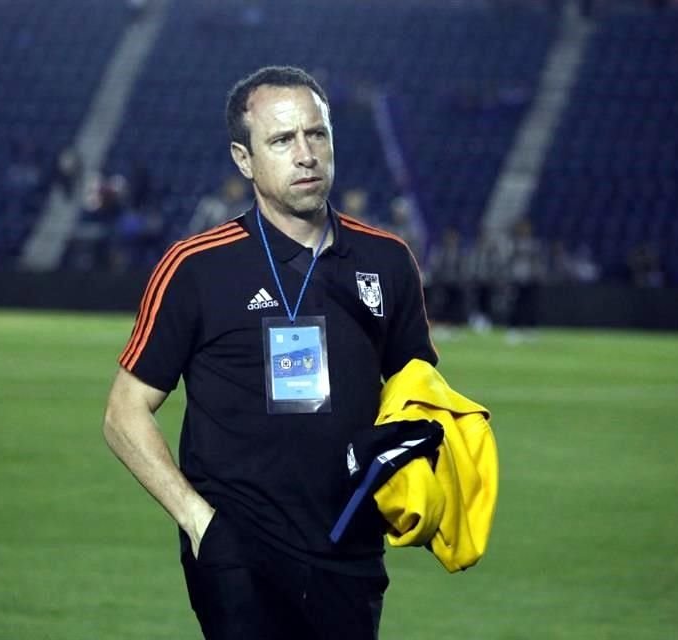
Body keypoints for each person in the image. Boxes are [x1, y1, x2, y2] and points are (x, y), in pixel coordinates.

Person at [102, 66, 437, 640]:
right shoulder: (196, 267)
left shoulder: (387, 261)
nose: (306, 154)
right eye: (282, 140)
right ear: (244, 159)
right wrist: (200, 523)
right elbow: (123, 413)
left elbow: (416, 396)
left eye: (317, 134)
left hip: (350, 552)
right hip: (240, 555)